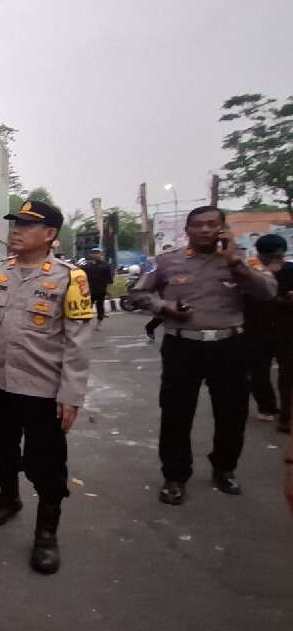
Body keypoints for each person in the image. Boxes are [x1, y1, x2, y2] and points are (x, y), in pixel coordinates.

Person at [0, 200, 93, 574]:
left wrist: (71, 396)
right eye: (15, 223)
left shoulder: (70, 279)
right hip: (2, 385)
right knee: (0, 446)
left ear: (50, 235)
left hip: (45, 391)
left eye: (27, 224)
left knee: (47, 465)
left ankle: (46, 532)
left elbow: (77, 342)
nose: (16, 230)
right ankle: (9, 496)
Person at [130, 207, 276, 504]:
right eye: (198, 225)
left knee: (232, 413)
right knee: (176, 414)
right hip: (183, 346)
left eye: (212, 225)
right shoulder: (166, 262)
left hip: (229, 346)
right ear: (188, 229)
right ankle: (174, 476)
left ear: (223, 229)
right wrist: (164, 307)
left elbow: (267, 292)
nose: (205, 230)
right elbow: (138, 293)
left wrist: (237, 264)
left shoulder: (239, 262)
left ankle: (224, 469)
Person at [244, 234, 293, 431]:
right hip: (281, 332)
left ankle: (270, 410)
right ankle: (284, 416)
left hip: (258, 332)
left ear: (259, 253)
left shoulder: (251, 273)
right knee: (285, 375)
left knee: (260, 373)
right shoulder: (254, 273)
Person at [83, 248, 114, 328]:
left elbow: (109, 279)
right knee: (87, 307)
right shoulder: (87, 266)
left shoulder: (105, 266)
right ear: (91, 255)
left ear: (101, 254)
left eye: (98, 253)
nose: (96, 255)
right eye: (94, 253)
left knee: (100, 306)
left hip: (101, 290)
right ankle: (86, 322)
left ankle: (99, 323)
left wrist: (108, 289)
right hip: (89, 290)